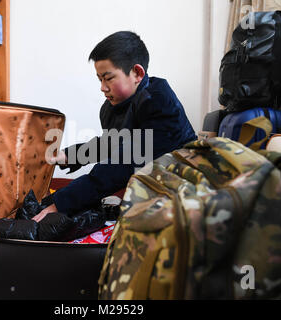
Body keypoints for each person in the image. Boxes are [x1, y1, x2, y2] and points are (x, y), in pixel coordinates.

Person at [32, 31, 196, 222]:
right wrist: (67, 156)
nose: (103, 87)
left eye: (108, 78)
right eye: (99, 79)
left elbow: (122, 164)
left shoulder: (159, 101)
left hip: (179, 191)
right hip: (142, 184)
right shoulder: (111, 108)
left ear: (137, 73)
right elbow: (110, 144)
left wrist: (59, 203)